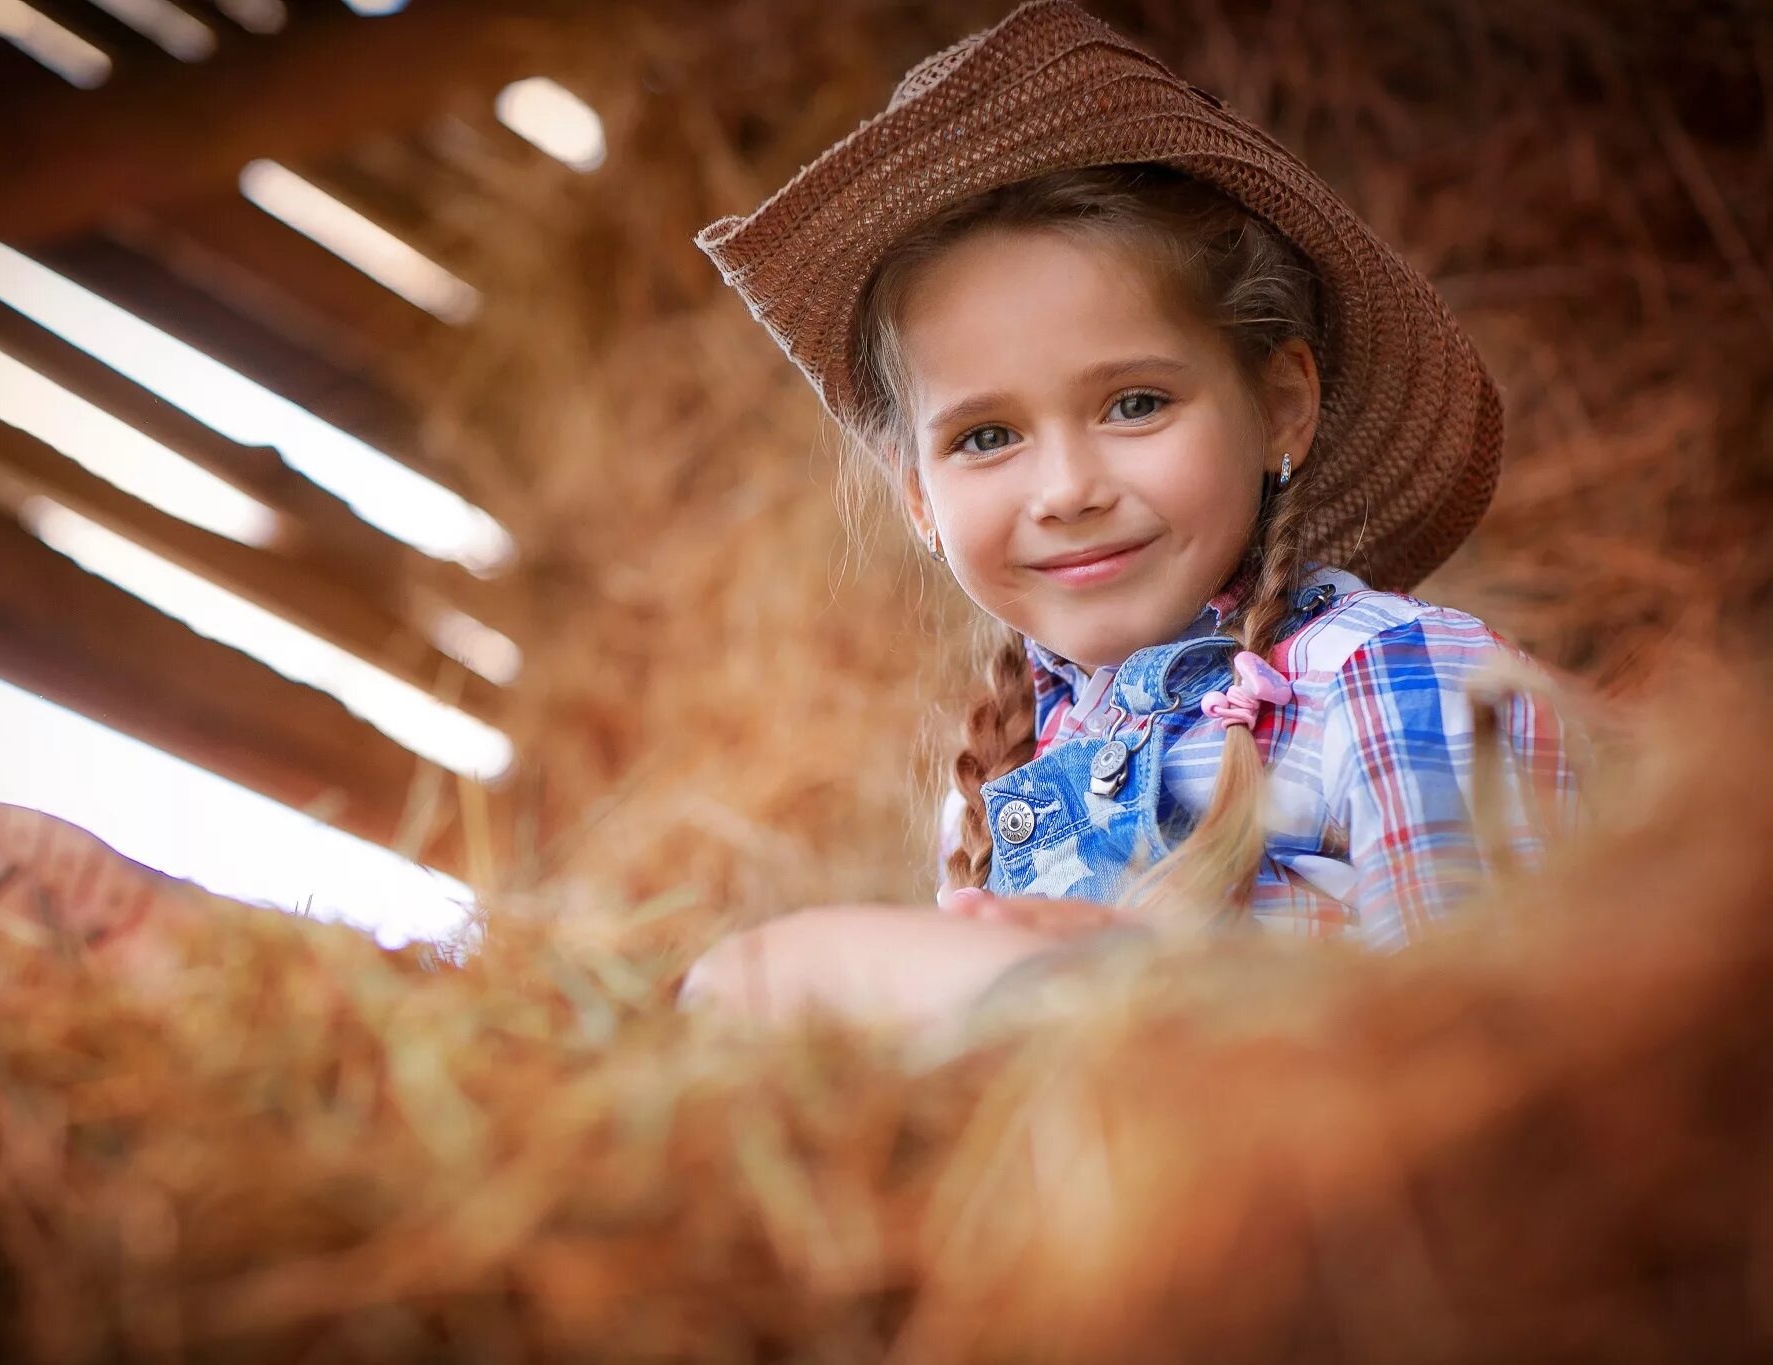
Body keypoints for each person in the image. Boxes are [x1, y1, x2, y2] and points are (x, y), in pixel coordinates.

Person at [675, 0, 1577, 1025]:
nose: (1065, 490)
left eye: (1134, 403)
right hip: (1087, 1167)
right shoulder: (1002, 775)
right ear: (918, 498)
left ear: (1280, 405)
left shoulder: (1393, 678)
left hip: (1283, 1135)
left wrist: (1155, 977)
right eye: (984, 436)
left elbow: (1509, 1042)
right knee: (744, 983)